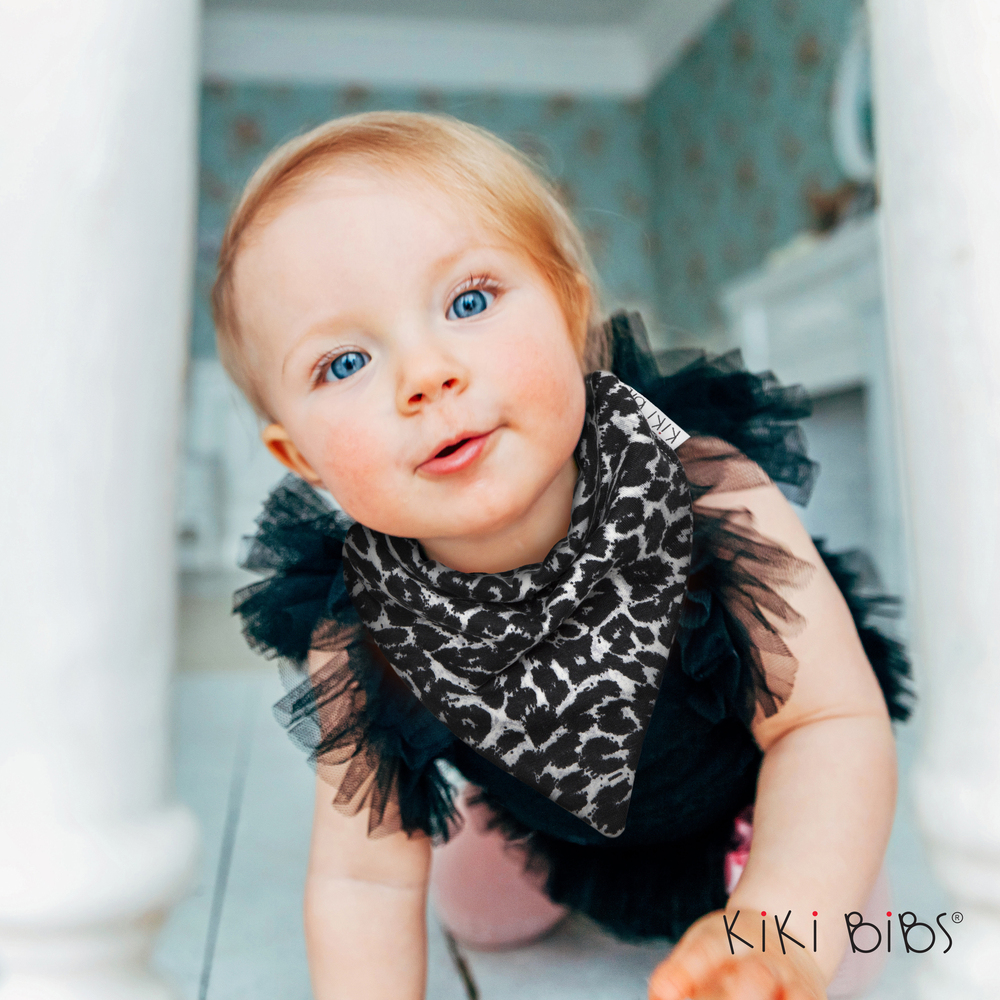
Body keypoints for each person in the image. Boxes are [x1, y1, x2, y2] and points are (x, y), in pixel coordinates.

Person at [212, 111, 911, 999]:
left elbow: (827, 723)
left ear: (571, 313)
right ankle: (525, 820)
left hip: (753, 796)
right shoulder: (364, 628)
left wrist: (780, 925)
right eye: (345, 362)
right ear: (301, 458)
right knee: (477, 915)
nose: (425, 376)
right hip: (564, 824)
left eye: (469, 302)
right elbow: (363, 878)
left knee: (839, 952)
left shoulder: (699, 488)